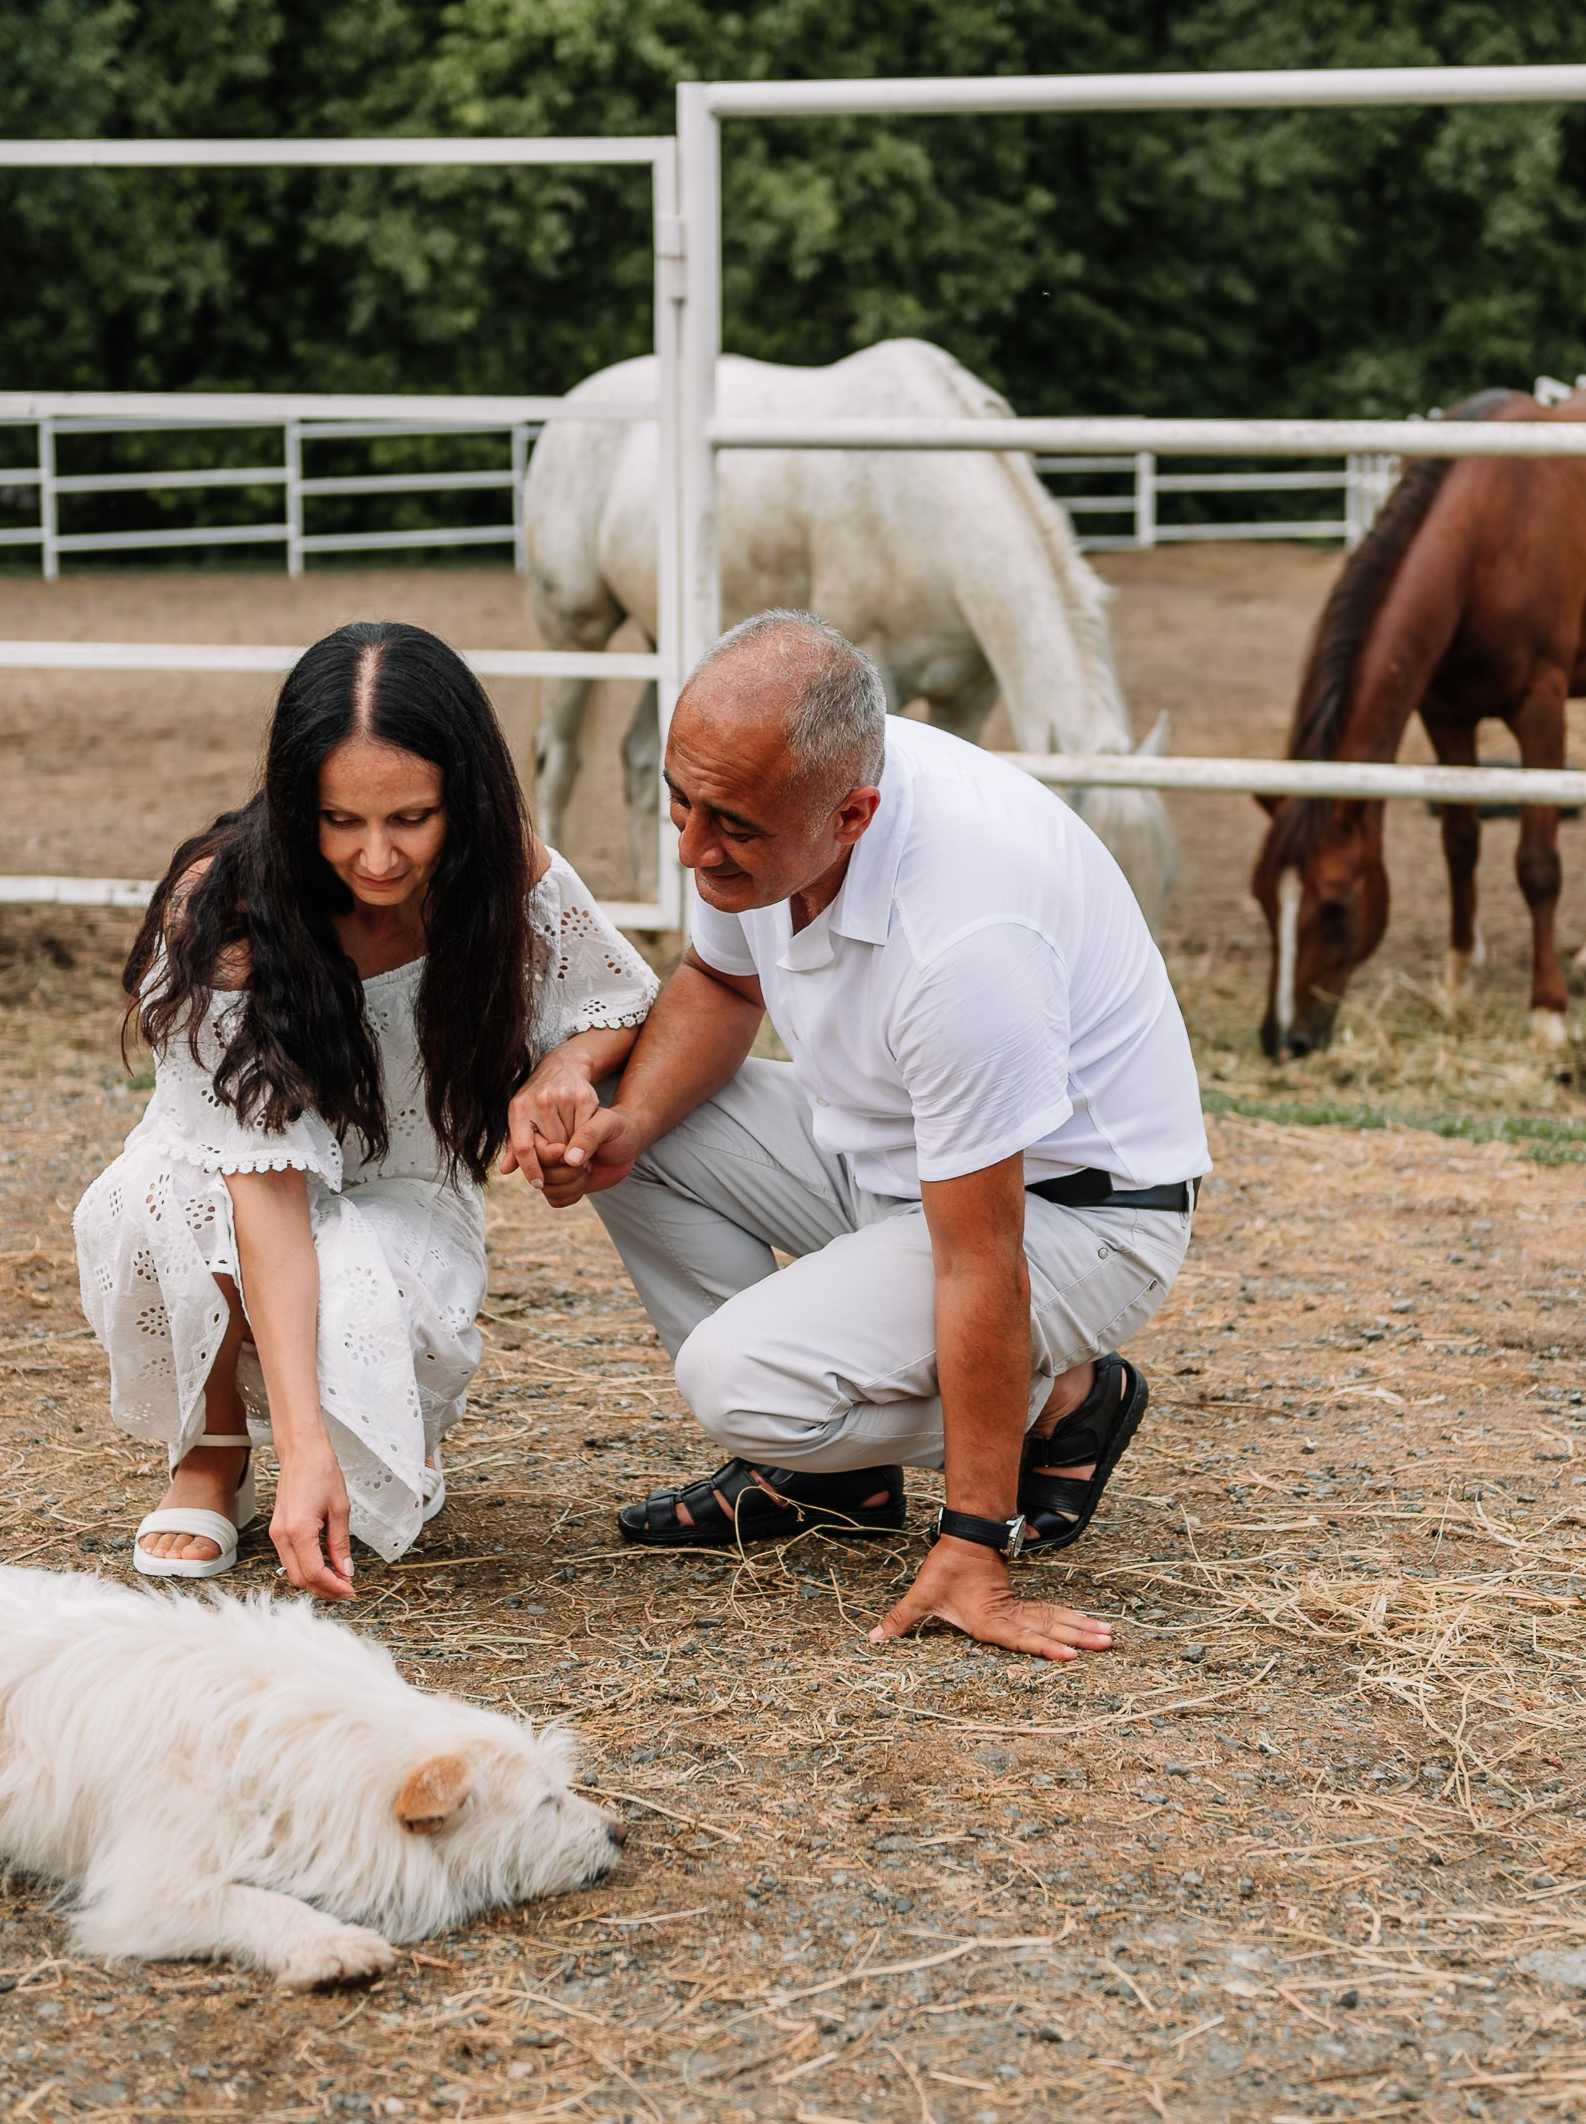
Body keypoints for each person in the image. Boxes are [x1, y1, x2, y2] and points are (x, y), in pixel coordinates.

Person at [506, 609, 1209, 1662]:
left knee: (736, 1382)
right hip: (896, 1145)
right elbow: (718, 982)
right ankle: (821, 1468)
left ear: (853, 815)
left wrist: (976, 1543)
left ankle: (1063, 1403)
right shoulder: (776, 790)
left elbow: (982, 1253)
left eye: (729, 826)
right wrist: (627, 1122)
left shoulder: (969, 936)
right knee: (636, 1130)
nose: (693, 848)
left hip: (1079, 1214)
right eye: (679, 802)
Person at [75, 620, 656, 1598]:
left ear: (460, 797)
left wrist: (562, 1072)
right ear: (298, 800)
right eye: (341, 820)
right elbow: (267, 1189)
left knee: (361, 1307)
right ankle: (214, 1451)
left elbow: (615, 1000)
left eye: (411, 819)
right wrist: (300, 1446)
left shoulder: (503, 869)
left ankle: (350, 1431)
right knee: (159, 1200)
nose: (378, 859)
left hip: (402, 1179)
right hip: (232, 1175)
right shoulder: (230, 908)